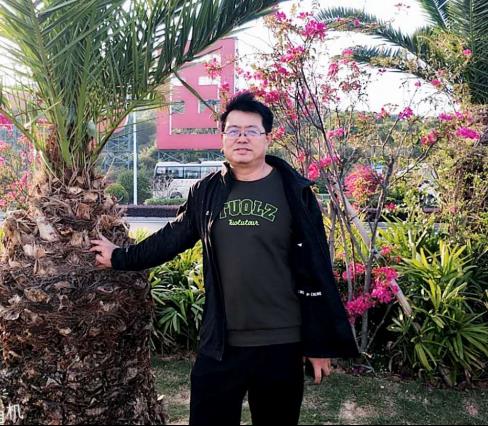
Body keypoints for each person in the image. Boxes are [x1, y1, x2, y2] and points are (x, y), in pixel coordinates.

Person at [90, 92, 359, 425]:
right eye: (233, 130)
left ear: (267, 137)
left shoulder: (295, 192)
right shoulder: (207, 191)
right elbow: (172, 237)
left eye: (251, 130)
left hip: (282, 342)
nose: (242, 138)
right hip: (221, 343)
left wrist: (318, 344)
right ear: (222, 139)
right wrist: (119, 257)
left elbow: (316, 269)